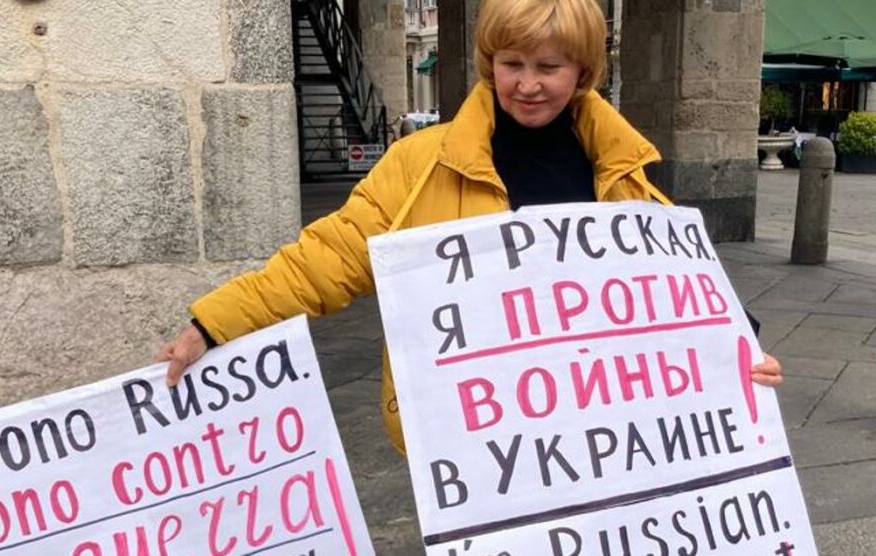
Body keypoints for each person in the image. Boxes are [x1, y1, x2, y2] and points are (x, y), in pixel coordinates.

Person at [157, 0, 782, 453]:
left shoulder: (622, 172)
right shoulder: (418, 164)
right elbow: (328, 257)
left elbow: (681, 289)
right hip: (472, 438)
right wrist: (214, 322)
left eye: (549, 66)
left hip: (595, 436)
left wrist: (742, 348)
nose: (528, 84)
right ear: (489, 63)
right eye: (512, 63)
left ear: (582, 72)